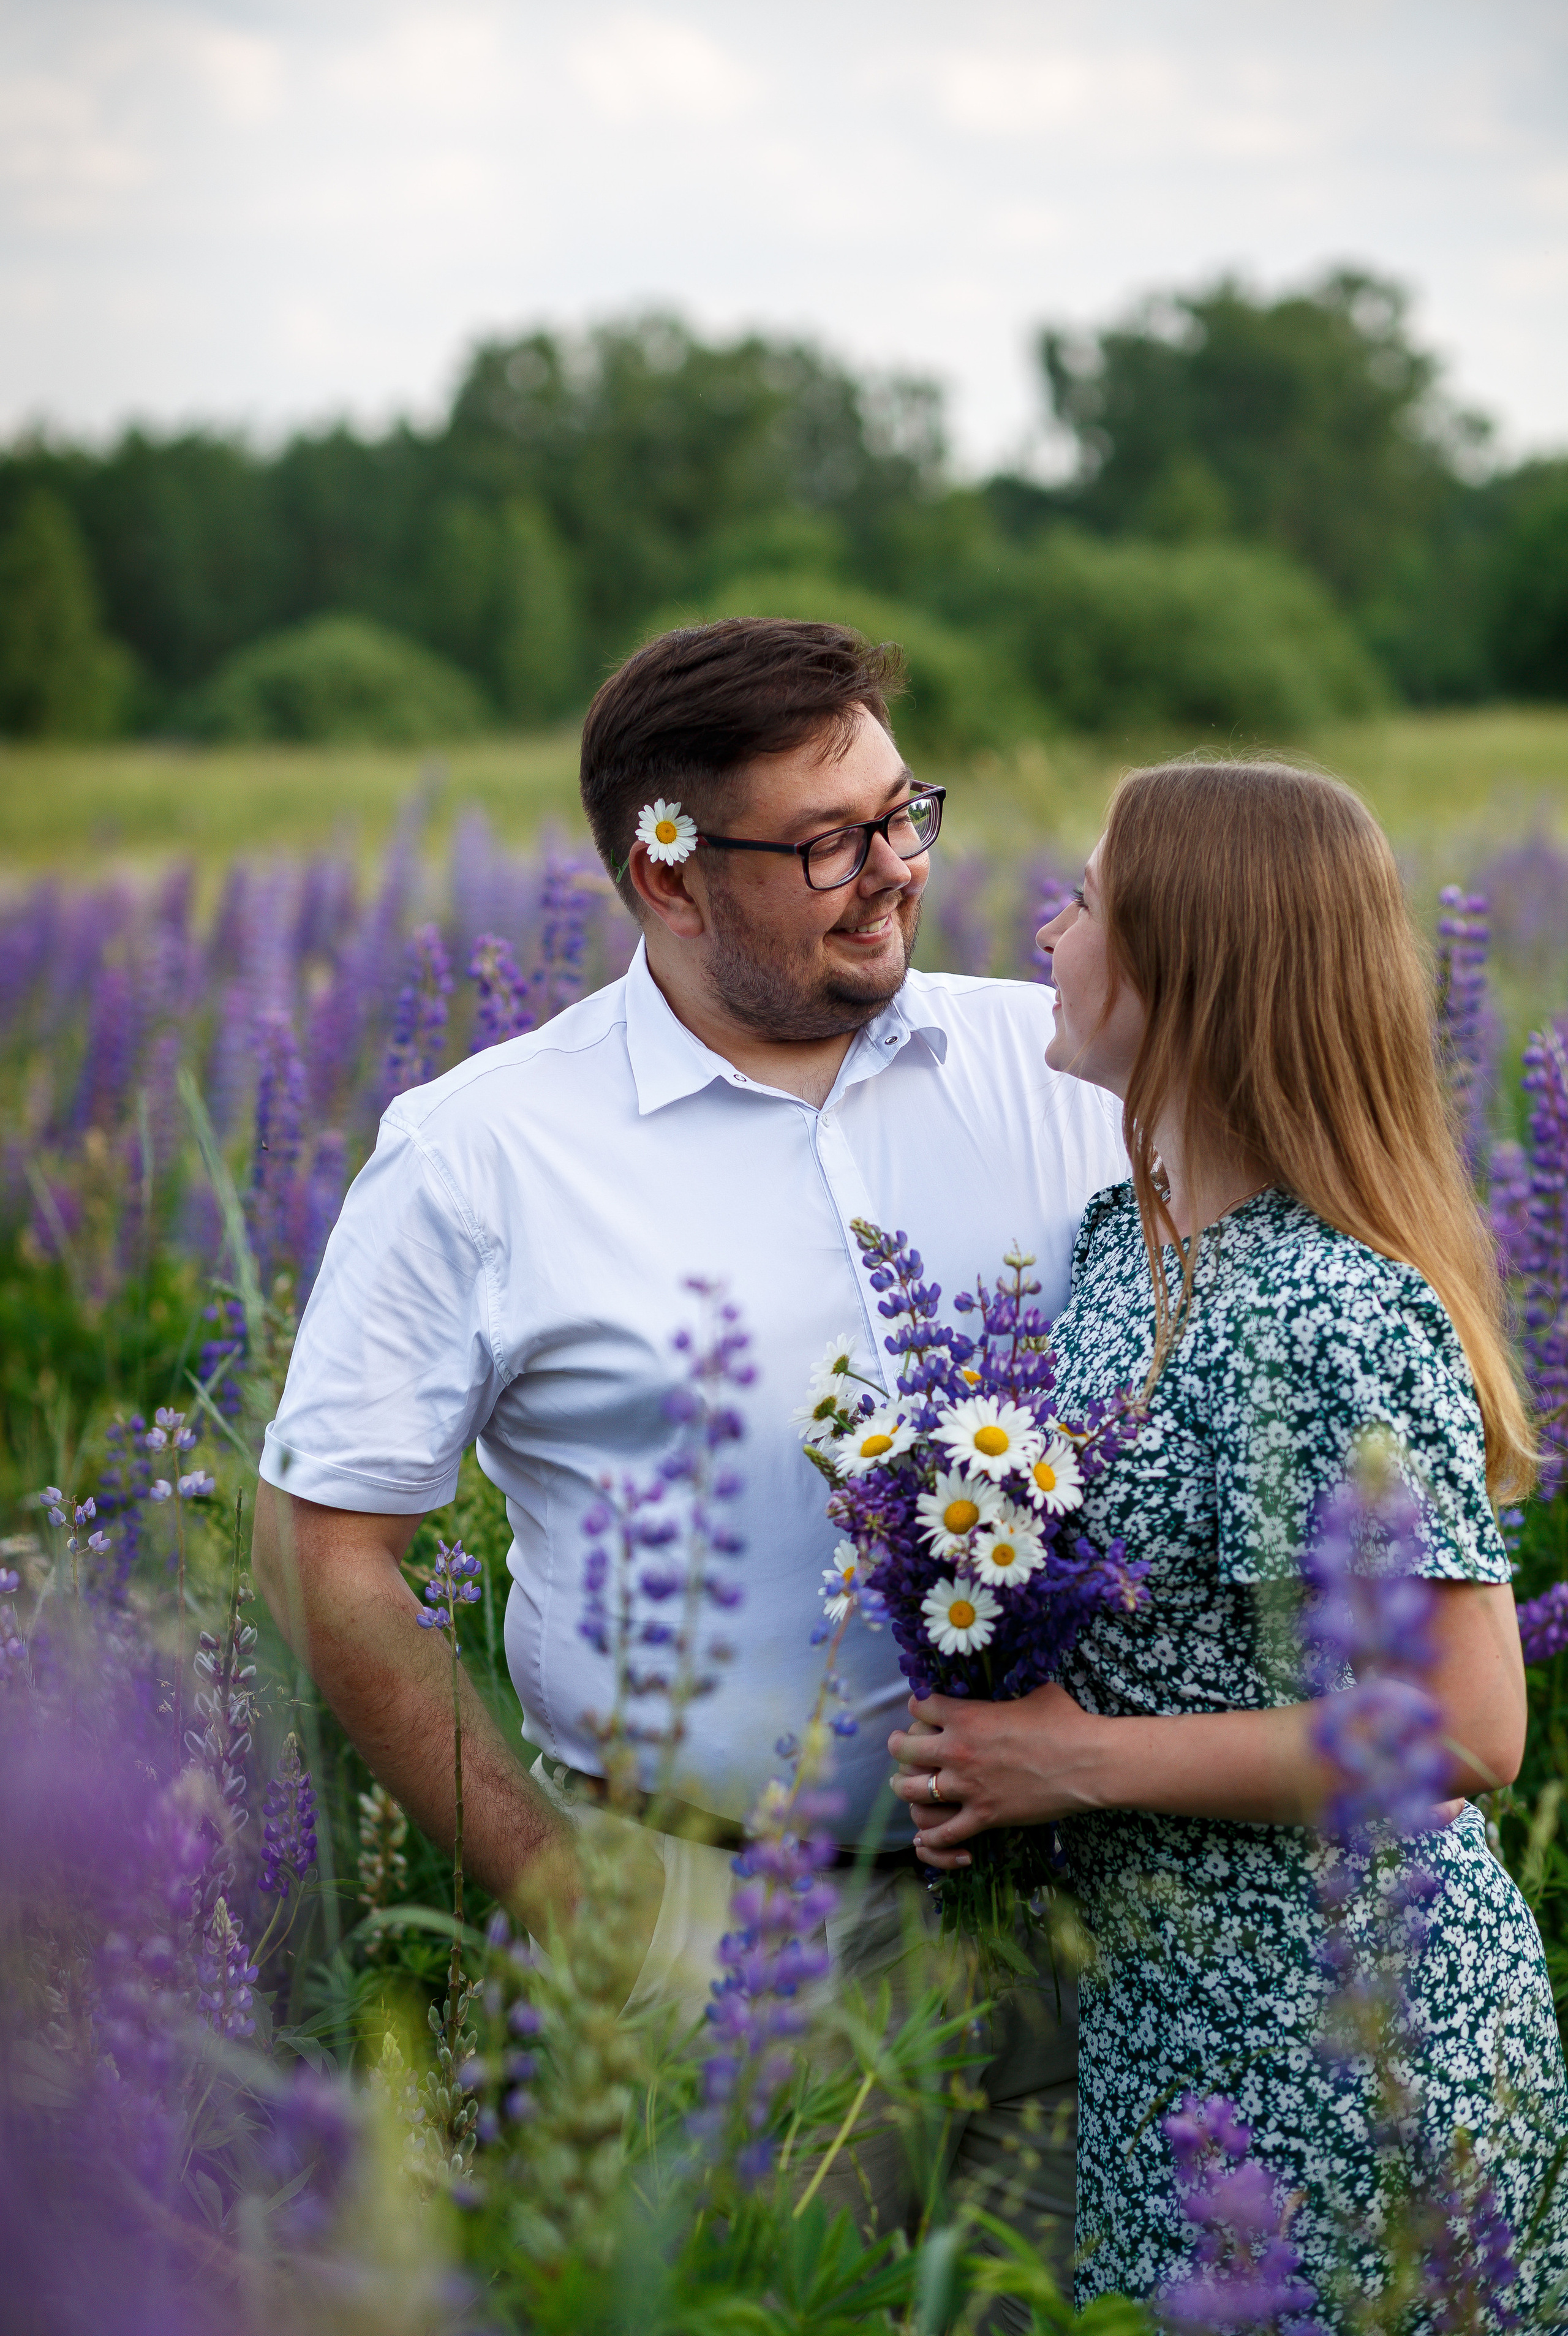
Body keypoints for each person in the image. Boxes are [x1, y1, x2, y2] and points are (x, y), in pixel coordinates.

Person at [251, 617, 1126, 2264]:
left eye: (901, 813)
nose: (891, 872)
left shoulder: (1063, 1061)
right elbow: (322, 1547)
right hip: (708, 1928)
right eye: (825, 845)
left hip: (1073, 1904)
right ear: (666, 871)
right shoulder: (483, 1152)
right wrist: (564, 1894)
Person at [889, 759, 1568, 2312]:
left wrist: (1071, 1764)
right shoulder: (1114, 1249)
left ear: (1184, 971)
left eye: (1082, 901)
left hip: (1347, 2030)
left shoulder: (1337, 1302)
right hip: (1157, 2017)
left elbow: (1467, 1727)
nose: (1043, 930)